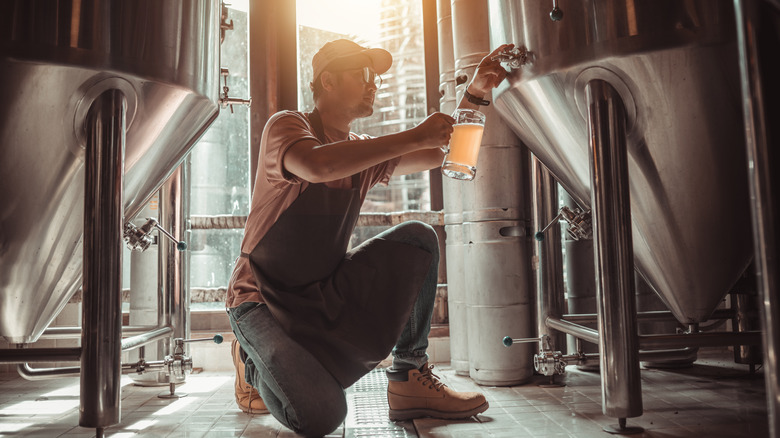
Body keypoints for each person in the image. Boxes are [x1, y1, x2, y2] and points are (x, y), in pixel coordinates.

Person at [226, 38, 513, 437]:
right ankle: (252, 364)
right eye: (363, 75)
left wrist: (476, 95)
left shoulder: (361, 151)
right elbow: (316, 164)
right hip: (261, 302)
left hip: (320, 296)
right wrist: (412, 135)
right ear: (327, 80)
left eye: (375, 77)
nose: (373, 83)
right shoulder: (289, 126)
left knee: (418, 238)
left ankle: (409, 376)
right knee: (321, 416)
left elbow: (442, 154)